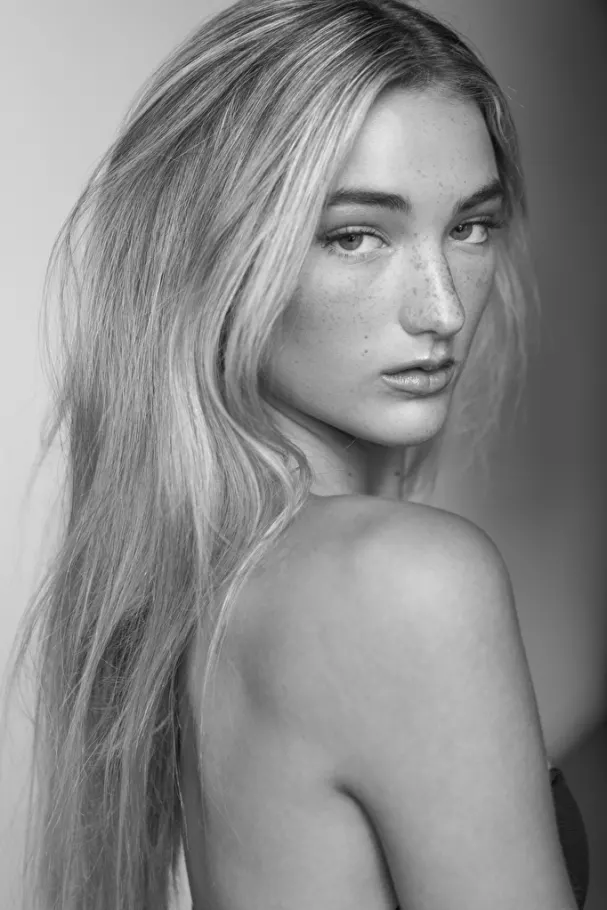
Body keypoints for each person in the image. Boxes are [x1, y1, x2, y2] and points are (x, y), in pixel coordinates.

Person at [3, 1, 590, 908]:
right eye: (355, 236)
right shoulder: (403, 580)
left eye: (469, 227)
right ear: (214, 254)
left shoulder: (211, 576)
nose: (441, 308)